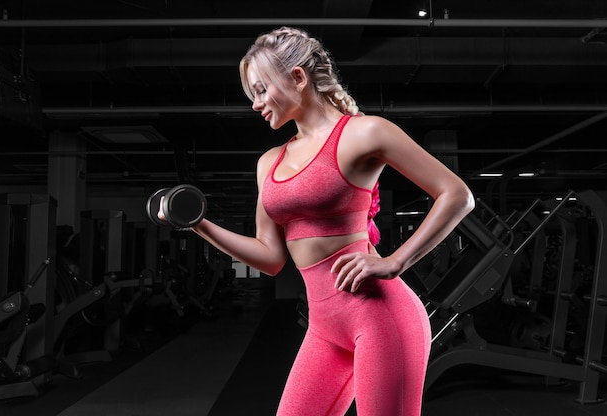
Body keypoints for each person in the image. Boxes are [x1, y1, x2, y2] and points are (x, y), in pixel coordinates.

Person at [164, 26, 474, 416]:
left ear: (297, 77)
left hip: (381, 318)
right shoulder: (269, 163)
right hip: (324, 327)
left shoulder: (365, 133)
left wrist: (394, 262)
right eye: (251, 95)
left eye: (261, 89)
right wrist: (198, 224)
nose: (256, 104)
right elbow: (270, 257)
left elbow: (457, 195)